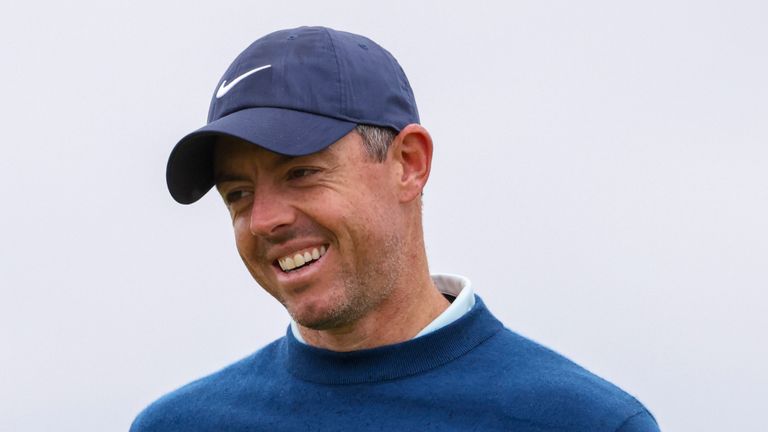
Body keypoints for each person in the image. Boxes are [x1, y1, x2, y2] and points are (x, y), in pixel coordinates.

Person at [131, 26, 660, 432]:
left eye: (302, 173)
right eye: (238, 195)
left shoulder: (583, 423)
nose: (266, 220)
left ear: (409, 163)